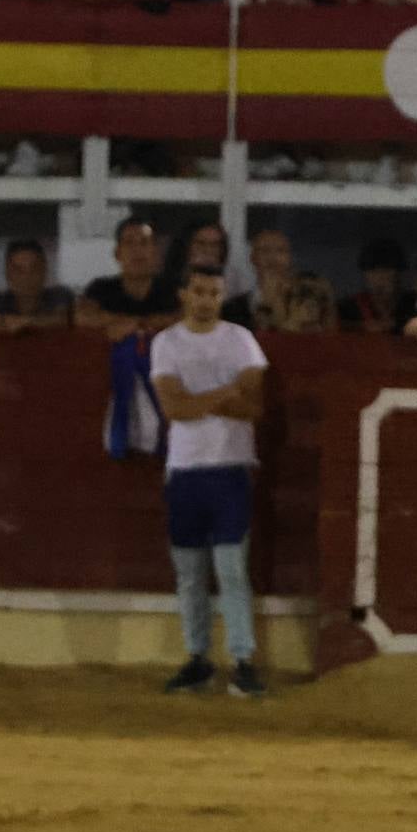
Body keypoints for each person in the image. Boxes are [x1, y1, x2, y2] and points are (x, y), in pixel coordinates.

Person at [150, 263, 269, 697]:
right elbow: (174, 410)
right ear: (184, 294)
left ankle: (241, 659)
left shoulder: (241, 339)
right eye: (198, 291)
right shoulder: (167, 342)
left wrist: (195, 398)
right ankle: (199, 658)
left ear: (222, 297)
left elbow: (253, 407)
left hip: (229, 468)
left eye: (214, 293)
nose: (205, 300)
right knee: (190, 573)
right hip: (185, 470)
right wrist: (224, 392)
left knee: (230, 569)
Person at [0, 239, 77, 331]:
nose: (27, 277)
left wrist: (27, 322)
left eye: (34, 268)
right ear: (7, 274)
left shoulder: (61, 296)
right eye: (18, 270)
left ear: (45, 270)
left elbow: (69, 318)